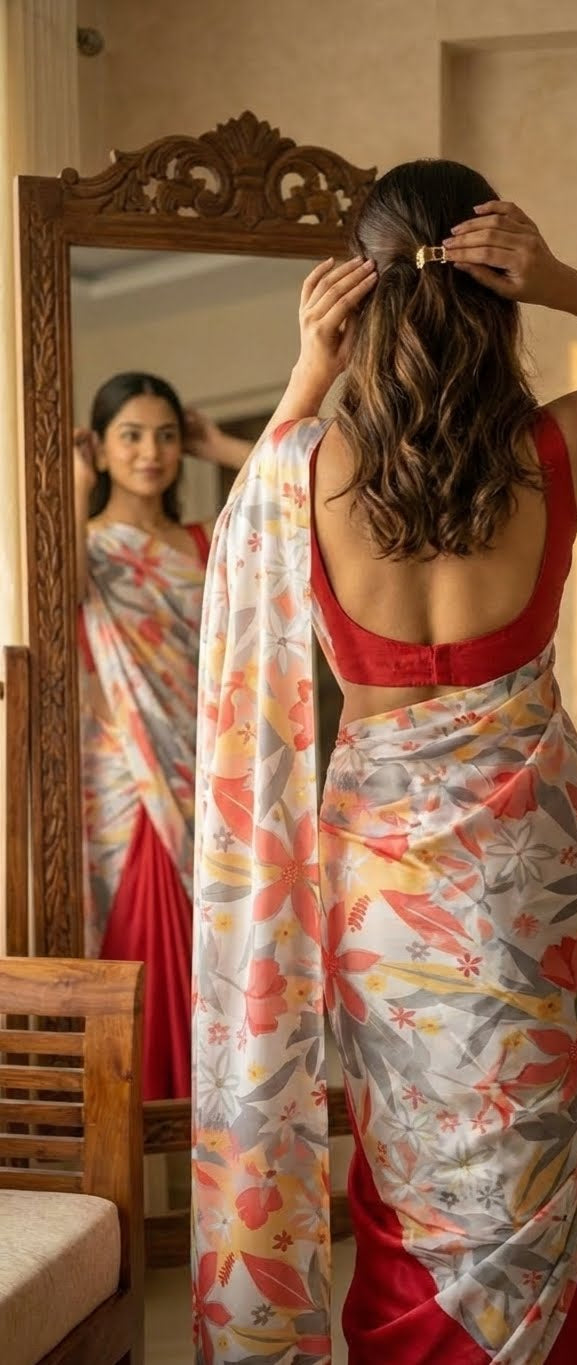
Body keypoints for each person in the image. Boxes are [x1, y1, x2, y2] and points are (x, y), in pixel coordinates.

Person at [192, 161, 577, 1364]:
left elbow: (232, 575)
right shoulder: (555, 448)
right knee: (534, 1172)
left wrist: (309, 370)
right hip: (539, 875)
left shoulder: (296, 472)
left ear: (355, 297)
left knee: (408, 1170)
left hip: (383, 888)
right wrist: (573, 280)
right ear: (501, 287)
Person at [75, 372, 248, 1100]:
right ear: (103, 449)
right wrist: (68, 481)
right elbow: (40, 586)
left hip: (209, 770)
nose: (152, 451)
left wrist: (221, 445)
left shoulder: (207, 540)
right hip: (126, 781)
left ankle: (217, 1126)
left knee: (216, 959)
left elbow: (306, 500)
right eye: (132, 435)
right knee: (139, 954)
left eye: (168, 434)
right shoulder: (83, 543)